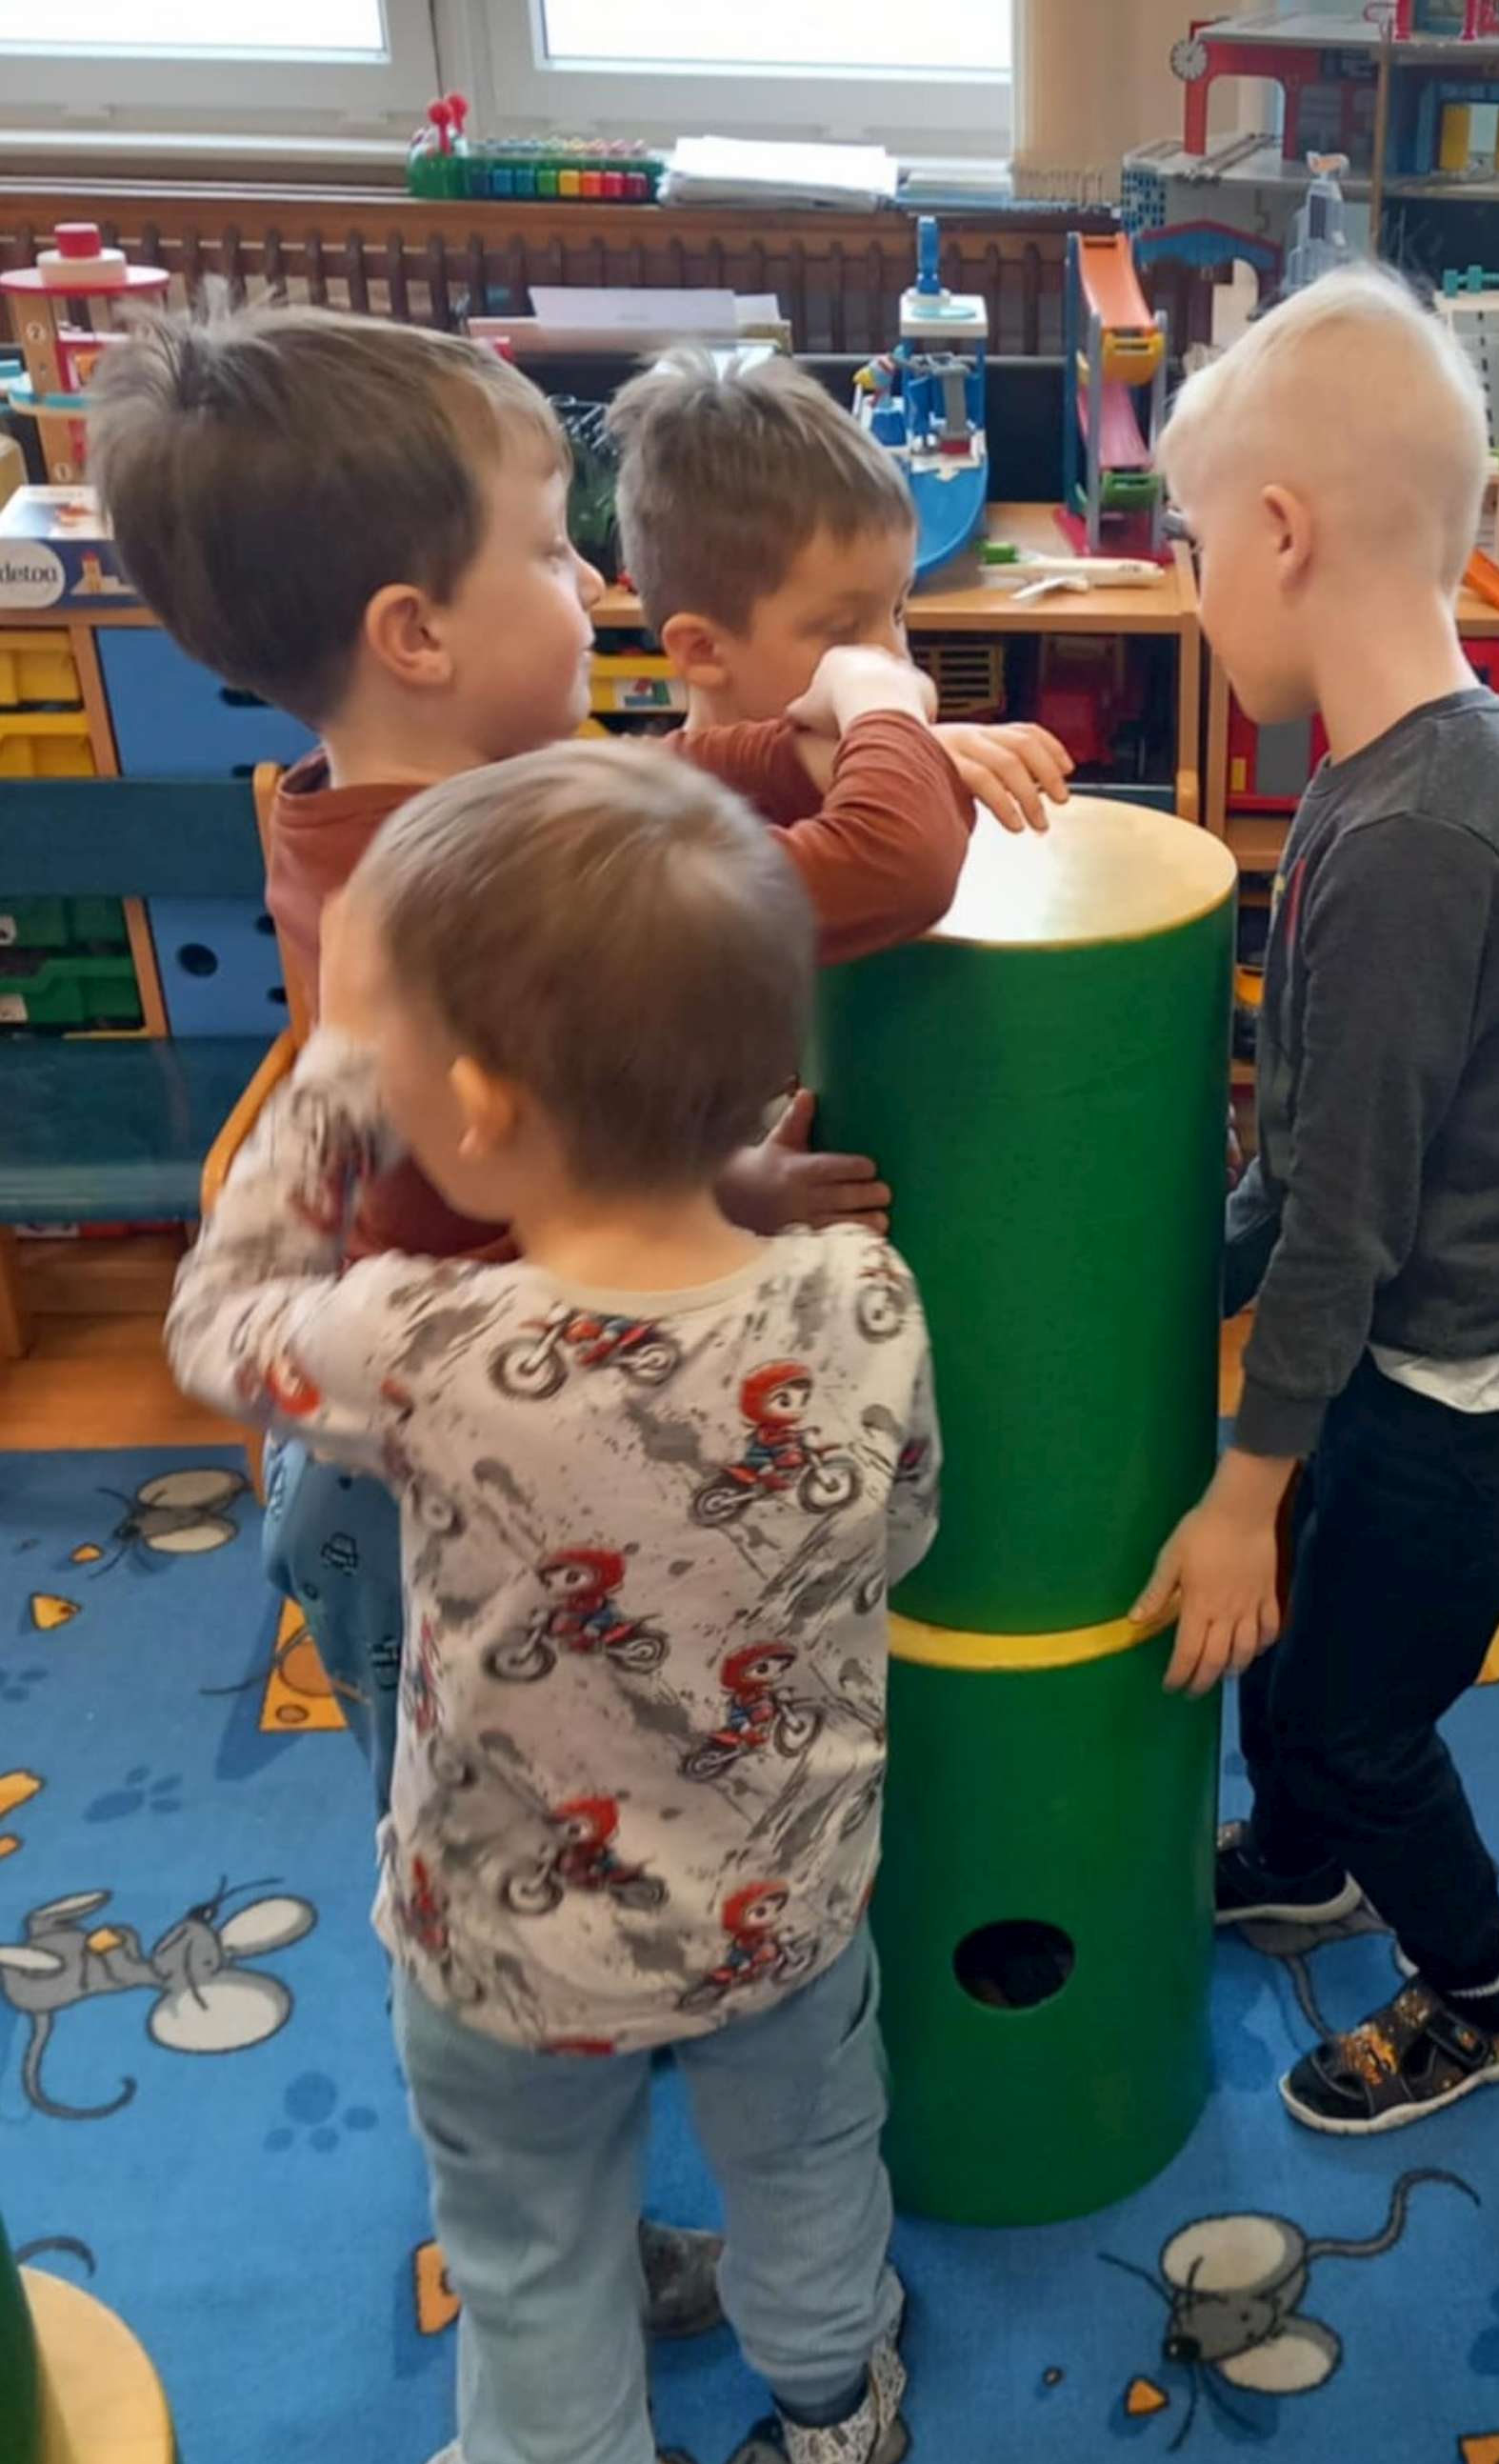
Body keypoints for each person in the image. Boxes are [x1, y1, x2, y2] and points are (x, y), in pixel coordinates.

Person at [87, 301, 972, 2337]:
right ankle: (591, 2206)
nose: (594, 588)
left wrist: (722, 1177)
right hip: (427, 1449)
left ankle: (602, 2121)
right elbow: (881, 858)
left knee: (567, 1833)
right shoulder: (467, 883)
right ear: (415, 631)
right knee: (502, 1895)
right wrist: (874, 701)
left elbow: (655, 788)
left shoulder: (458, 804)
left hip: (494, 1395)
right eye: (552, 550)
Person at [166, 743, 938, 2464]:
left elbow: (210, 1325)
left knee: (527, 2240)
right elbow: (902, 1528)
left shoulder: (419, 1338)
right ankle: (837, 2401)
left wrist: (333, 1081)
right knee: (809, 2156)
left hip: (504, 1947)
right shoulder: (857, 1296)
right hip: (783, 1900)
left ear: (480, 1110)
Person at [1135, 267, 1499, 2134]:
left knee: (1360, 1711)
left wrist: (1237, 1493)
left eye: (1194, 548)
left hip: (1486, 1373)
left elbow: (1341, 1223)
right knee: (1312, 1634)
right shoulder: (1402, 763)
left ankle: (1479, 1997)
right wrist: (1173, 1281)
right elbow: (1316, 1167)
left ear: (1279, 534)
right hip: (1432, 1315)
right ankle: (1298, 1856)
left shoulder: (1413, 837)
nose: (1194, 591)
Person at [606, 344, 1074, 830]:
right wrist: (908, 770)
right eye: (843, 632)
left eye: (897, 611)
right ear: (703, 650)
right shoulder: (675, 845)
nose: (894, 658)